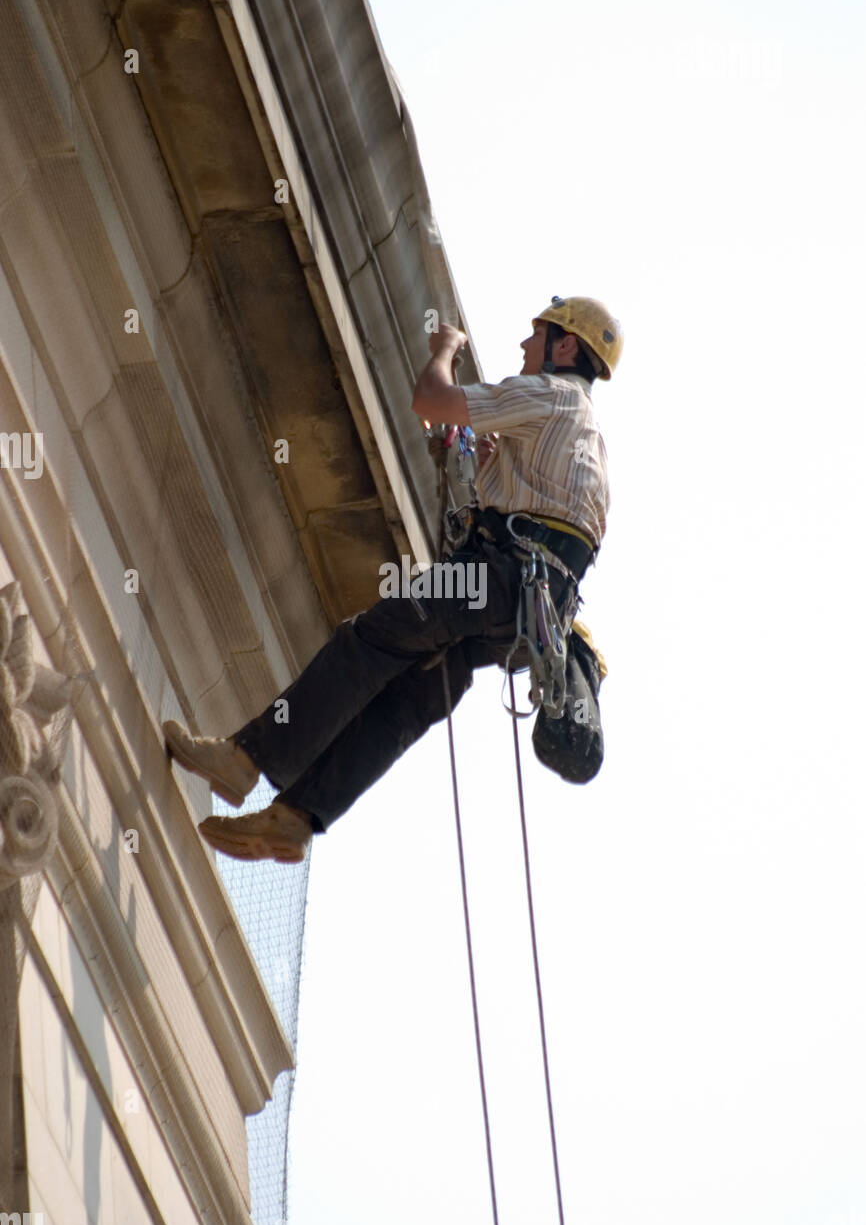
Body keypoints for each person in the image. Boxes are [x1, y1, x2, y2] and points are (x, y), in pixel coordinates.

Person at [162, 295, 623, 861]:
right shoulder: (588, 436)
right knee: (413, 695)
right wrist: (487, 459)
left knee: (370, 640)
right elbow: (540, 510)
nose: (525, 347)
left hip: (493, 579)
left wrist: (445, 351)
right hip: (523, 618)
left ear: (566, 344)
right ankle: (293, 818)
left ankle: (242, 760)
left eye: (537, 335)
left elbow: (429, 398)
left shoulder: (547, 395)